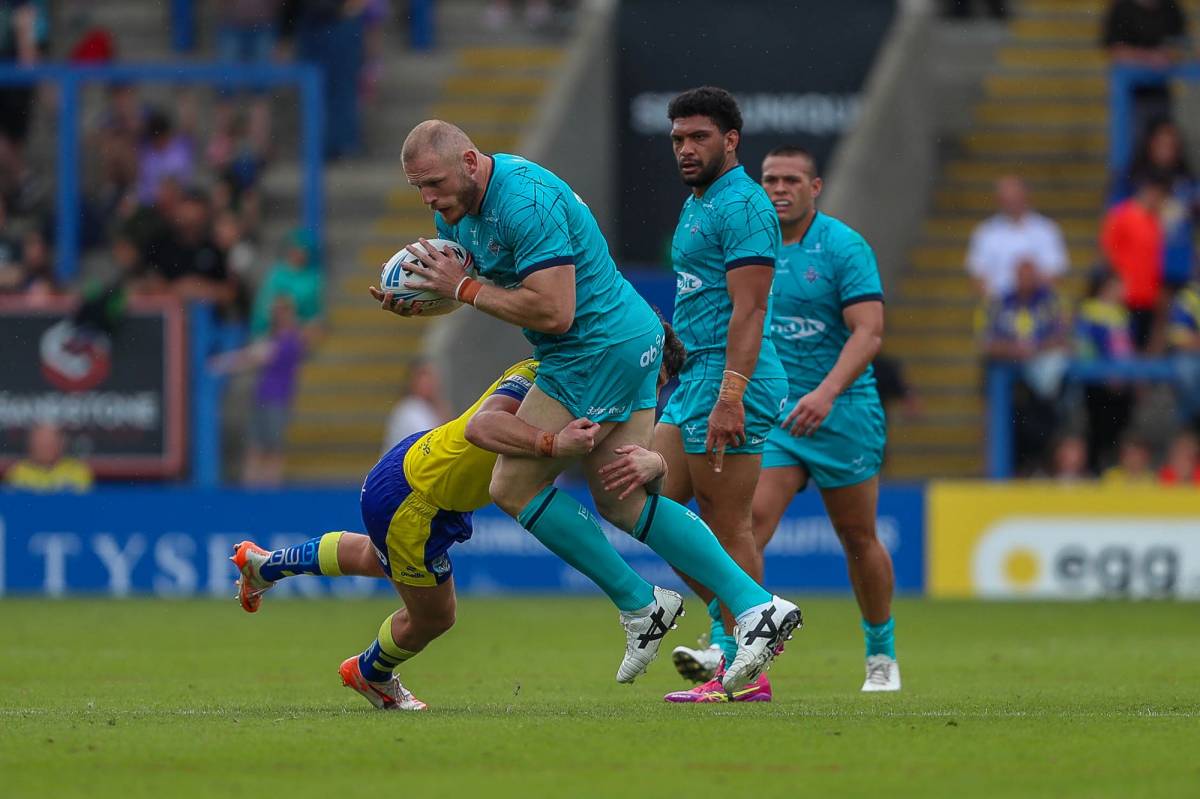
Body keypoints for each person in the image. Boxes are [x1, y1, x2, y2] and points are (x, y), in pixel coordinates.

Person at [373, 119, 800, 696]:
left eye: (433, 183)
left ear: (470, 162)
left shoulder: (525, 202)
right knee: (624, 498)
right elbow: (475, 283)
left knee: (511, 485)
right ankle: (755, 605)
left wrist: (461, 290)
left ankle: (641, 603)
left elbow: (555, 312)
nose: (428, 198)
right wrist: (423, 298)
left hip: (591, 348)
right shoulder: (455, 214)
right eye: (417, 187)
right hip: (628, 338)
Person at [231, 330, 687, 710]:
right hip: (416, 499)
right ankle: (370, 672)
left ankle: (264, 566)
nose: (650, 396)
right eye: (654, 381)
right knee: (435, 617)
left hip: (417, 474)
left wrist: (658, 464)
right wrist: (551, 443)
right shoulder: (542, 380)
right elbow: (481, 427)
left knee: (375, 557)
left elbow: (629, 484)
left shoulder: (584, 390)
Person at [676, 145, 899, 695]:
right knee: (745, 522)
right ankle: (729, 646)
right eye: (771, 179)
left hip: (842, 411)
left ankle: (880, 652)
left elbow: (869, 332)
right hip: (775, 411)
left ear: (814, 187)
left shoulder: (843, 247)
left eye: (791, 180)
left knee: (857, 536)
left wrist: (826, 393)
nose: (779, 189)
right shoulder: (750, 238)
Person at [625, 88, 789, 704]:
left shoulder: (744, 205)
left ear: (731, 140)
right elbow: (702, 295)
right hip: (694, 376)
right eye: (677, 139)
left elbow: (750, 311)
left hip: (731, 380)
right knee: (645, 505)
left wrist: (731, 396)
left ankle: (750, 669)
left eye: (699, 137)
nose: (686, 149)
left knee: (727, 523)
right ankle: (730, 640)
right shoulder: (699, 202)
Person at [981, 260, 1070, 476]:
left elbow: (1064, 335)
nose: (1026, 281)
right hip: (1009, 386)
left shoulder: (1050, 301)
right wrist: (1012, 350)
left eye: (1030, 276)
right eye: (1022, 276)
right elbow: (985, 342)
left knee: (1044, 426)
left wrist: (1036, 348)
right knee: (1006, 427)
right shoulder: (1000, 303)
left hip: (1042, 388)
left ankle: (1042, 468)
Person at [211, 296, 310, 485]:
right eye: (275, 313)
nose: (277, 316)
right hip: (263, 397)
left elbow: (252, 357)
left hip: (278, 399)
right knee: (256, 446)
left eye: (281, 312)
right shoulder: (277, 338)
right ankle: (252, 487)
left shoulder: (289, 340)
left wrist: (221, 364)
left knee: (272, 448)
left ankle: (269, 486)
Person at [1113, 118, 1198, 289]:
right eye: (1161, 144)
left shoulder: (1187, 182)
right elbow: (1115, 217)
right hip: (1140, 263)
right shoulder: (1131, 179)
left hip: (1177, 264)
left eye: (1171, 145)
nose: (1165, 150)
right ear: (1150, 144)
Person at [965, 175, 1069, 299]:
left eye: (1015, 196)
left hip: (1039, 303)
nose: (1011, 202)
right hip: (998, 303)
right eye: (1006, 198)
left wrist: (1028, 292)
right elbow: (976, 276)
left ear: (1026, 195)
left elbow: (1056, 272)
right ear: (998, 200)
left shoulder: (1047, 229)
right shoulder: (985, 232)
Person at [1101, 170, 1172, 351]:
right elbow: (1107, 249)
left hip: (1148, 296)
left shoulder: (1155, 221)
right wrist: (1118, 280)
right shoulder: (1122, 215)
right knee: (1123, 347)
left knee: (1142, 346)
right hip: (1126, 295)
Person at [1075, 270, 1136, 472]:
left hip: (1121, 381)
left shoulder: (1122, 313)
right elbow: (1086, 346)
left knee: (1118, 427)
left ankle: (1111, 468)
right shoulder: (1090, 310)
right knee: (1097, 426)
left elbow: (1126, 347)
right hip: (1099, 380)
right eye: (1118, 286)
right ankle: (1094, 469)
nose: (1122, 291)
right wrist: (1104, 371)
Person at [1102, 0, 1188, 137]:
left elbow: (1182, 46)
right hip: (1130, 97)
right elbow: (1115, 50)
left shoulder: (1170, 8)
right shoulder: (1121, 9)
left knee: (1165, 138)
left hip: (1164, 93)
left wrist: (1168, 55)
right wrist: (1150, 57)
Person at [250, 228, 324, 337]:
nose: (300, 252)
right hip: (272, 334)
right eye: (297, 248)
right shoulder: (276, 275)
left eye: (304, 249)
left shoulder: (313, 278)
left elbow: (317, 313)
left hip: (303, 334)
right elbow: (265, 308)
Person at [382, 359, 449, 452]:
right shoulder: (408, 409)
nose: (429, 382)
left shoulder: (429, 407)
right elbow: (431, 443)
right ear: (412, 380)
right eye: (424, 376)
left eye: (432, 377)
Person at [4, 422, 93, 492]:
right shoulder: (18, 472)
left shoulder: (77, 470)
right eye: (40, 444)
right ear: (31, 445)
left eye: (49, 444)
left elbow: (83, 503)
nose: (44, 449)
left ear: (60, 445)